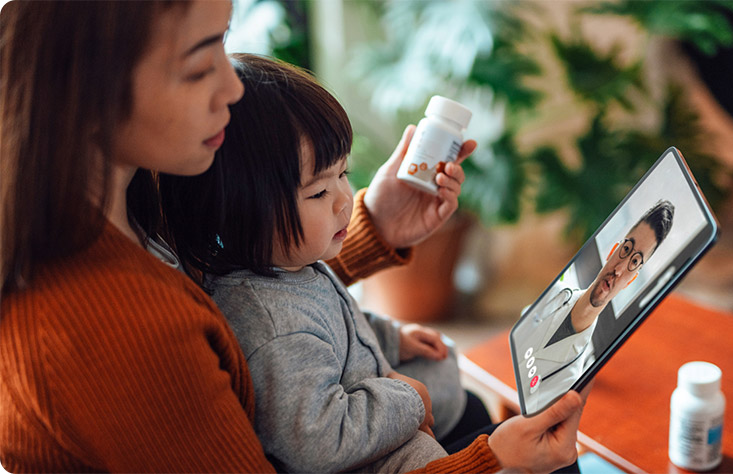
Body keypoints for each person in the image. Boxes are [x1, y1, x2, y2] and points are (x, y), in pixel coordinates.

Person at [0, 2, 585, 473]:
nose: (233, 90)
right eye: (202, 64)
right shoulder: (118, 332)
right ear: (93, 90)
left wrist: (372, 227)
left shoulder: (138, 199)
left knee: (485, 404)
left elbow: (254, 287)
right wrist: (490, 466)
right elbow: (270, 346)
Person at [158, 53, 479, 473]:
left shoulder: (288, 262)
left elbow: (335, 322)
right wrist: (409, 400)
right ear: (239, 209)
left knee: (447, 372)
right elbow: (318, 441)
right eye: (317, 193)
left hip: (369, 395)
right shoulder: (272, 328)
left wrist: (389, 337)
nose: (346, 199)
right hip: (367, 454)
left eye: (342, 174)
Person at [523, 200, 674, 412]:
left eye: (634, 262)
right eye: (626, 249)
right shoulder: (552, 299)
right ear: (613, 249)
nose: (620, 269)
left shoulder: (586, 362)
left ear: (631, 280)